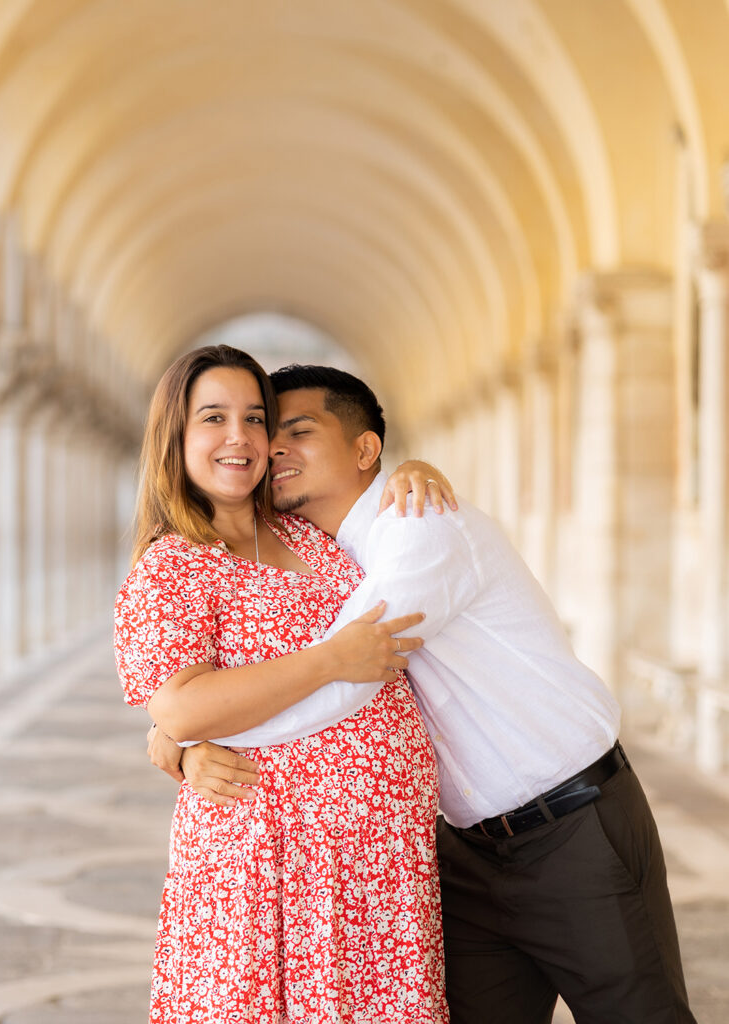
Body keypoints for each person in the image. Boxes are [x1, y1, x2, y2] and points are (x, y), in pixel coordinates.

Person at [154, 364, 697, 1024]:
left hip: (572, 829)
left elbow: (339, 686)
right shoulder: (327, 552)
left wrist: (187, 728)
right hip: (466, 852)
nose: (272, 449)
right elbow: (269, 659)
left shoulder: (422, 528)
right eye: (271, 433)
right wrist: (183, 732)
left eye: (297, 431)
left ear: (364, 449)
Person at [114, 346, 450, 1023]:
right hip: (266, 871)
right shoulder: (174, 565)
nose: (238, 437)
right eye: (213, 417)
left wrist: (409, 467)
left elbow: (374, 508)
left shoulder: (311, 531)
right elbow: (180, 705)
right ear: (176, 437)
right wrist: (330, 660)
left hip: (378, 869)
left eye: (254, 418)